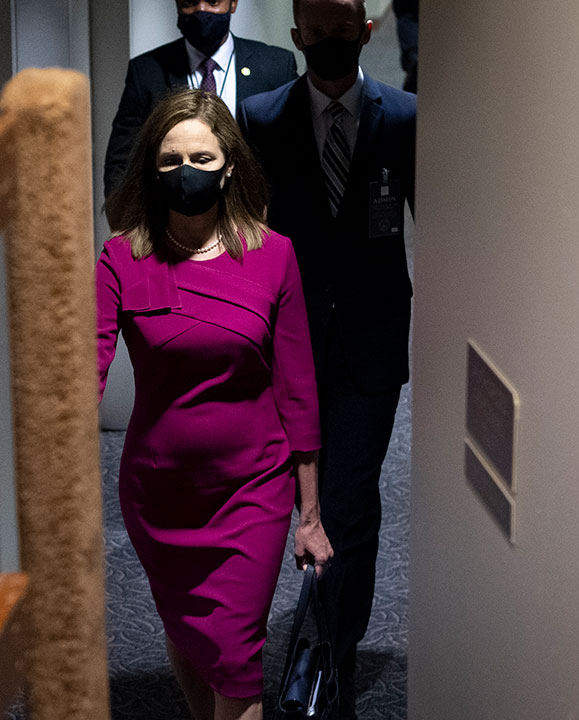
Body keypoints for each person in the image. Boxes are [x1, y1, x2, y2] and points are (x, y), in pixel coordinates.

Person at [98, 88, 332, 720]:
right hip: (159, 495)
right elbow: (84, 366)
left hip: (251, 490)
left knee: (236, 658)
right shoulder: (122, 258)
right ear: (152, 169)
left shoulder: (274, 255)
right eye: (171, 160)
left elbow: (298, 390)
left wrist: (310, 515)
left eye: (201, 159)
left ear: (229, 166)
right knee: (187, 630)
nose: (187, 172)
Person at [238, 1, 416, 716]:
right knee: (290, 501)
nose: (331, 41)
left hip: (372, 341)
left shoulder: (405, 117)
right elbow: (245, 227)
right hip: (286, 343)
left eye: (344, 29)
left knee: (350, 501)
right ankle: (281, 641)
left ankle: (335, 657)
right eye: (317, 31)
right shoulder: (261, 118)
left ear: (366, 31)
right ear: (297, 37)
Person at [103, 0, 299, 198]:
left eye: (213, 2)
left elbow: (295, 152)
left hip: (257, 208)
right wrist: (123, 214)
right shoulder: (146, 71)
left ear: (233, 4)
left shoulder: (276, 66)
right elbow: (122, 159)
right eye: (190, 2)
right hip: (173, 209)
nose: (202, 10)